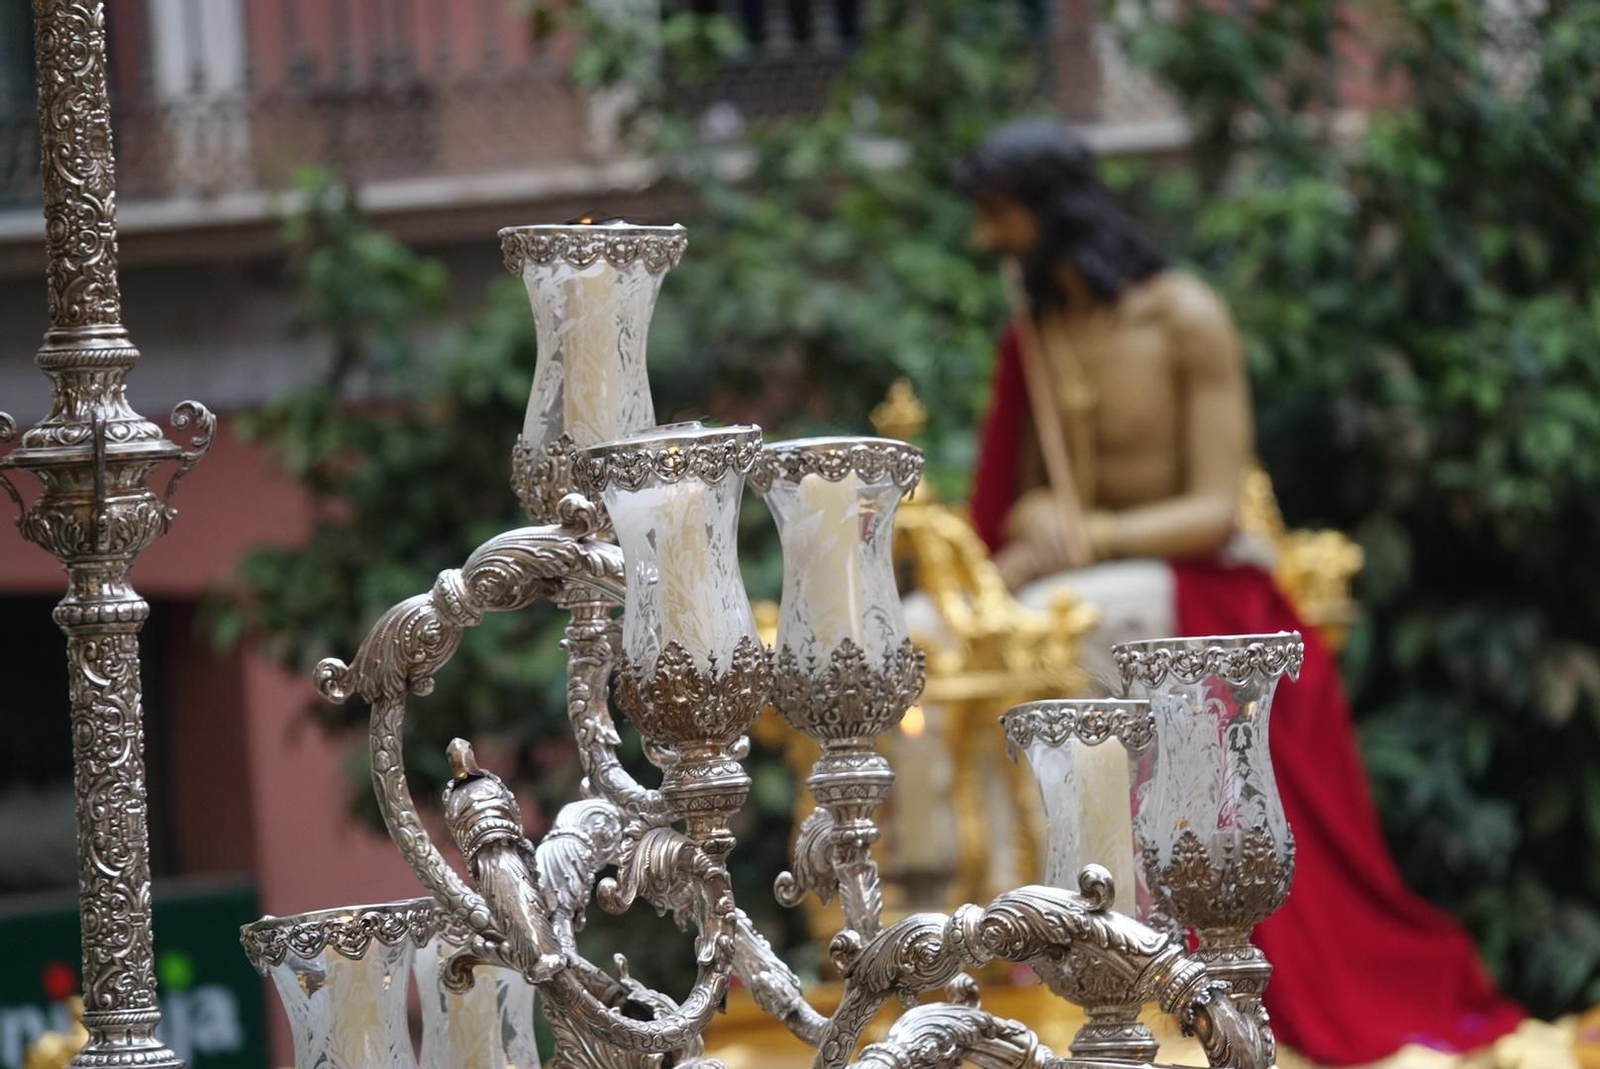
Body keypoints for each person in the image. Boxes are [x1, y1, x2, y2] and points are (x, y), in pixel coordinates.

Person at [955, 118, 1524, 1066]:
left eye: (999, 216)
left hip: (1208, 587)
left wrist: (1092, 533)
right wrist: (1037, 517)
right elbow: (1003, 506)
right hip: (1098, 585)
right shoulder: (1034, 332)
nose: (986, 241)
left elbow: (1216, 506)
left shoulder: (1184, 317)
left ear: (1051, 213)